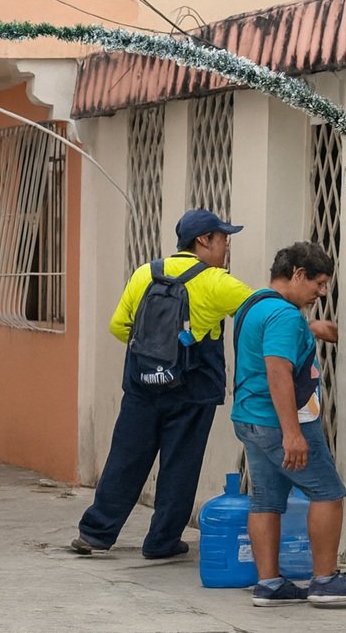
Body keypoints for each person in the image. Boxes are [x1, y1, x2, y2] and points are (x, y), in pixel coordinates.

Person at [71, 209, 254, 558]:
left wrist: (157, 354)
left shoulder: (145, 273)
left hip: (142, 385)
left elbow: (118, 326)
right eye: (223, 241)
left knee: (125, 459)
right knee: (180, 465)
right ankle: (162, 542)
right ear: (204, 241)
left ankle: (95, 533)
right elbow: (260, 312)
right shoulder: (217, 281)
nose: (226, 249)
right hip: (192, 390)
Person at [231, 242, 346, 606]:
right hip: (280, 422)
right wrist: (293, 433)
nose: (321, 292)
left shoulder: (254, 305)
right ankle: (325, 580)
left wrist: (309, 328)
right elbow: (278, 371)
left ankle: (270, 584)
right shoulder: (285, 317)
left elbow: (268, 343)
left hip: (250, 418)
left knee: (265, 499)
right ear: (297, 275)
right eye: (318, 283)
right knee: (328, 492)